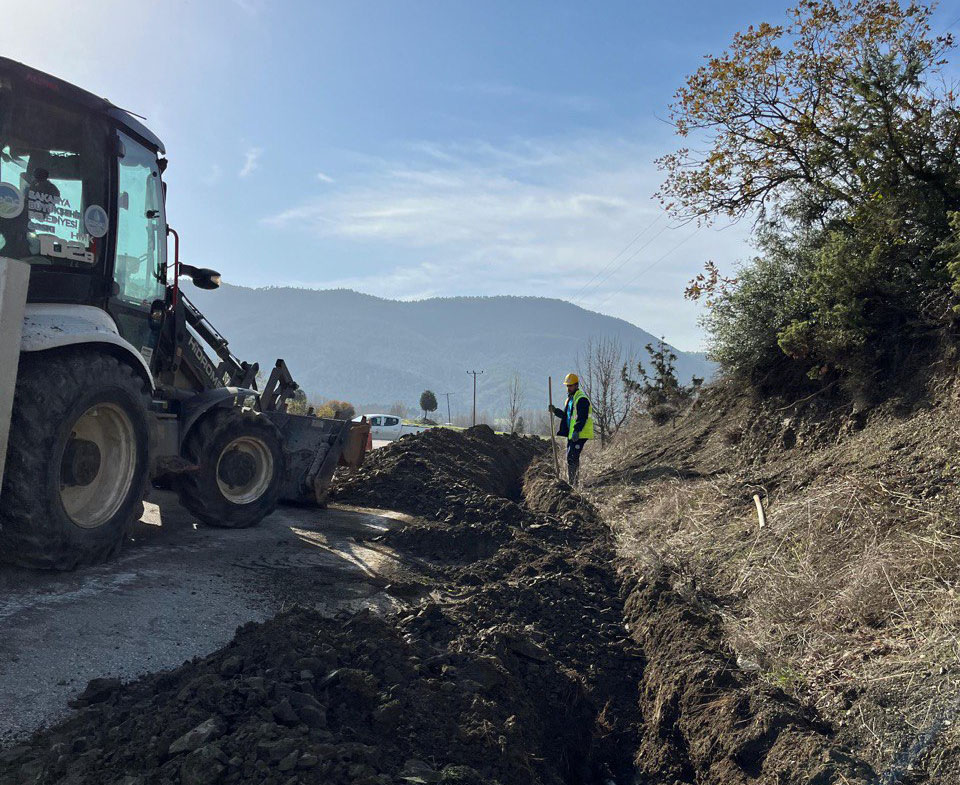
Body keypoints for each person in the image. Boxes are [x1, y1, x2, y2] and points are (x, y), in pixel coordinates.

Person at [549, 373, 593, 486]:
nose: (568, 388)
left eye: (570, 386)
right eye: (567, 386)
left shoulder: (581, 399)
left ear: (576, 385)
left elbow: (582, 417)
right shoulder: (570, 399)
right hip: (573, 433)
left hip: (580, 433)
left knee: (572, 457)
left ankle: (573, 484)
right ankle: (573, 483)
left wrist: (577, 431)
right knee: (571, 457)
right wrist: (555, 411)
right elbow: (568, 416)